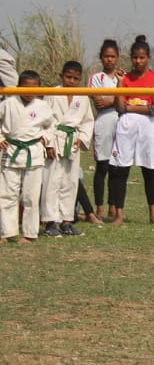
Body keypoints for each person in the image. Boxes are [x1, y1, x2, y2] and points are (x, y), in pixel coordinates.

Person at [108, 35, 154, 225]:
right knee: (121, 170)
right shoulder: (125, 79)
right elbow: (119, 106)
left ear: (148, 58)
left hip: (148, 127)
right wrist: (119, 82)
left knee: (148, 170)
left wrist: (131, 107)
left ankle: (153, 216)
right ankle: (119, 215)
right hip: (125, 126)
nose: (138, 61)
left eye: (142, 57)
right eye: (135, 57)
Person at [0, 70, 55, 244]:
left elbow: (52, 126)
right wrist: (1, 138)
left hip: (33, 152)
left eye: (33, 88)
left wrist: (44, 139)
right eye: (25, 87)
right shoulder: (7, 103)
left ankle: (30, 233)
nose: (29, 91)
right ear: (17, 87)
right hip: (11, 150)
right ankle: (7, 232)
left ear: (39, 88)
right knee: (7, 194)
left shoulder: (42, 106)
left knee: (30, 196)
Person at [41, 61, 94, 237]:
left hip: (72, 142)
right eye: (68, 77)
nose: (71, 81)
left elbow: (88, 120)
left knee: (70, 182)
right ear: (61, 76)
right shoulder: (53, 93)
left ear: (80, 79)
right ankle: (50, 222)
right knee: (52, 181)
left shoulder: (83, 96)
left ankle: (66, 221)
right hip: (56, 139)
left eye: (75, 78)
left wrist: (82, 138)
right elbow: (46, 119)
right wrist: (48, 142)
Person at [89, 39, 123, 221]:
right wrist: (114, 99)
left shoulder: (122, 77)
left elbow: (123, 102)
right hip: (103, 123)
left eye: (112, 56)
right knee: (102, 166)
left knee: (116, 167)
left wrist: (111, 99)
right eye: (106, 56)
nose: (109, 60)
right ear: (101, 57)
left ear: (117, 57)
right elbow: (99, 102)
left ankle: (113, 205)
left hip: (120, 123)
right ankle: (99, 207)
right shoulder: (96, 78)